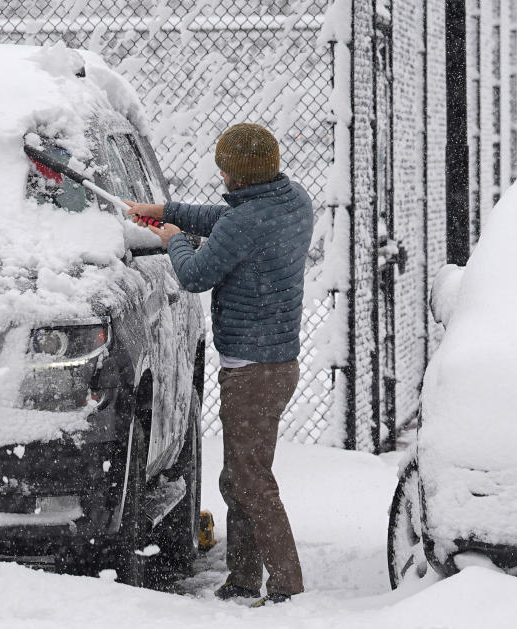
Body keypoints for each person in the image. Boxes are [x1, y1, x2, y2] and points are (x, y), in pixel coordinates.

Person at [125, 122, 314, 607]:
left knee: (250, 478)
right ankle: (243, 578)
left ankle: (287, 585)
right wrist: (168, 213)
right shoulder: (293, 201)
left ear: (238, 175)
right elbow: (226, 220)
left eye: (225, 170)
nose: (221, 177)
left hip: (249, 369)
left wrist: (172, 238)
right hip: (278, 363)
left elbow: (193, 275)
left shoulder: (244, 223)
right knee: (242, 475)